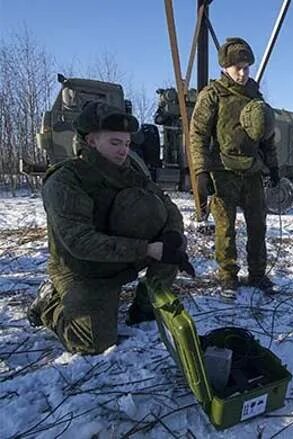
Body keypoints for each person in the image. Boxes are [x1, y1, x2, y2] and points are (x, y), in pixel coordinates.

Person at [27, 101, 194, 355]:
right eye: (115, 143)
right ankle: (50, 302)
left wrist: (171, 238)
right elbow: (80, 243)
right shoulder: (66, 180)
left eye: (127, 144)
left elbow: (167, 205)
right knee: (92, 342)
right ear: (91, 142)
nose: (123, 151)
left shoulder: (129, 171)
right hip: (82, 269)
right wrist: (147, 249)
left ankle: (145, 308)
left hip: (124, 258)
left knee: (173, 242)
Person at [189, 37, 279, 299]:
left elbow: (267, 136)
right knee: (225, 228)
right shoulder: (213, 95)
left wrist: (273, 167)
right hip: (222, 171)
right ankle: (228, 276)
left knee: (258, 226)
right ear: (225, 67)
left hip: (251, 171)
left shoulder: (255, 96)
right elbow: (197, 135)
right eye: (237, 67)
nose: (242, 72)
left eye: (246, 67)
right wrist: (200, 171)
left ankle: (258, 274)